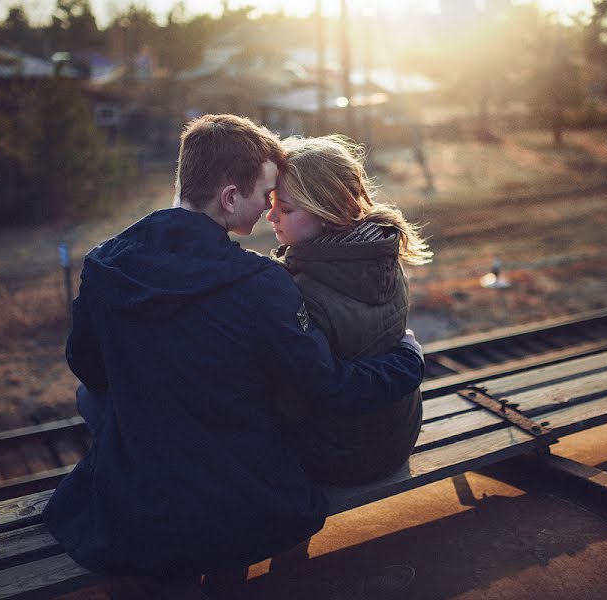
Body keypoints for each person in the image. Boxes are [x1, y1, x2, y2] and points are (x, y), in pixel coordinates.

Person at [42, 115, 425, 586]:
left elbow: (86, 368)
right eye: (266, 195)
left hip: (144, 486)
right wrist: (408, 360)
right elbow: (322, 385)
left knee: (95, 400)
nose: (269, 209)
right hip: (241, 491)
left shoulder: (103, 263)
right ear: (229, 198)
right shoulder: (260, 282)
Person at [266, 135, 433, 485]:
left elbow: (295, 402)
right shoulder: (383, 253)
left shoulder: (299, 292)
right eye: (272, 204)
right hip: (399, 436)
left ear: (328, 210)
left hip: (339, 457)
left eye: (287, 209)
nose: (271, 216)